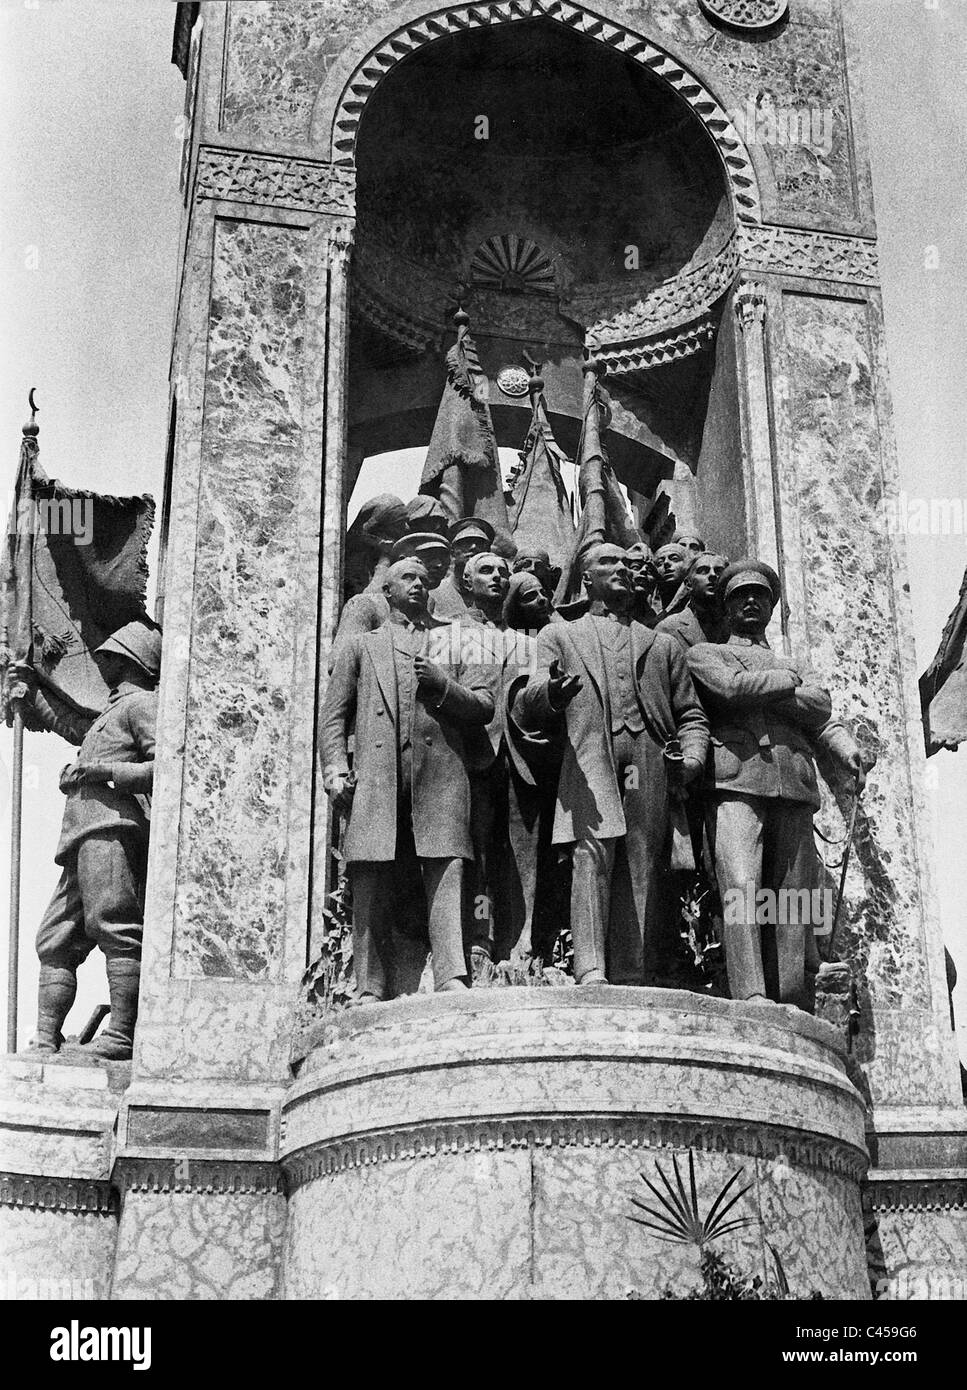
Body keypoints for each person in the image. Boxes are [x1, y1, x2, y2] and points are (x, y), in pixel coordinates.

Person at [516, 543, 709, 986]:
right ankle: (591, 968)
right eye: (608, 562)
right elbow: (527, 703)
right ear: (587, 578)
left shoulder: (662, 645)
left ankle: (632, 969)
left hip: (648, 759)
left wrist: (692, 759)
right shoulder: (558, 636)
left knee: (642, 860)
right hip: (589, 757)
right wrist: (552, 695)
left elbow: (692, 716)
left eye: (625, 562)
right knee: (591, 854)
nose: (621, 568)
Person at [687, 560, 868, 1010]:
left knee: (794, 898)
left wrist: (846, 749)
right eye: (740, 596)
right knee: (740, 887)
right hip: (737, 781)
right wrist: (790, 688)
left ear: (771, 606)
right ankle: (750, 992)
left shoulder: (794, 663)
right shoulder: (707, 653)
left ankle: (790, 995)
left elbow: (823, 711)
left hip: (795, 784)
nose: (751, 602)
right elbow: (728, 690)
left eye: (760, 596)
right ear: (725, 607)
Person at [320, 558, 495, 1000]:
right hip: (377, 778)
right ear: (388, 591)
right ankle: (370, 986)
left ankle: (451, 973)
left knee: (445, 866)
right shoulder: (362, 646)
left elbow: (484, 705)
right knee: (371, 874)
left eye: (423, 579)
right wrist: (335, 771)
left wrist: (441, 685)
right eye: (407, 579)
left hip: (439, 775)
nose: (418, 585)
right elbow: (333, 718)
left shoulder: (456, 643)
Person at [29, 621, 161, 1060]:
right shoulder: (111, 712)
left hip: (111, 828)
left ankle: (122, 1034)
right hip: (83, 834)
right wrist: (30, 690)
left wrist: (104, 772)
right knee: (56, 937)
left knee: (115, 925)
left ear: (128, 660)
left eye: (108, 656)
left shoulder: (142, 705)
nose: (99, 662)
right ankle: (46, 1039)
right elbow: (70, 725)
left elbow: (168, 767)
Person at [657, 552, 731, 649]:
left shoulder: (737, 626)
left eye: (719, 571)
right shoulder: (668, 628)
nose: (713, 575)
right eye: (703, 571)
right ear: (688, 584)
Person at [430, 517, 495, 620]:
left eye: (480, 543)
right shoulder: (435, 593)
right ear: (452, 552)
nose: (474, 547)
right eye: (466, 542)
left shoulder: (495, 592)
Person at [651, 541, 694, 621]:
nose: (666, 563)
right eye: (660, 563)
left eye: (674, 559)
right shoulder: (649, 606)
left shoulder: (694, 604)